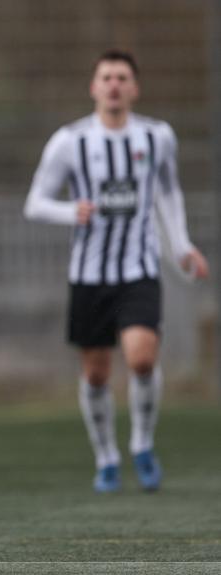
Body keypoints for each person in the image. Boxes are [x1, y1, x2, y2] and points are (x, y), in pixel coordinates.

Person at [24, 49, 209, 493]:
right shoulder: (70, 141)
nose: (114, 84)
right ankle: (107, 456)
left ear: (134, 88)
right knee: (97, 373)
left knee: (143, 358)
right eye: (106, 77)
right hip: (89, 274)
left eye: (122, 77)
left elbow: (168, 193)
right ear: (93, 87)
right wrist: (73, 211)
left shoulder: (157, 136)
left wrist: (181, 245)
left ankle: (142, 444)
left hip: (139, 268)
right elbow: (35, 203)